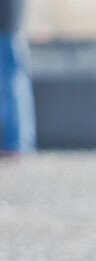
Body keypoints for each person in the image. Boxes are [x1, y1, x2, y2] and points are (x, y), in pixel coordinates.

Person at [0, 0, 35, 156]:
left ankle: (16, 145)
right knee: (12, 83)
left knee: (11, 84)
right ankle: (17, 145)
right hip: (9, 23)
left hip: (7, 24)